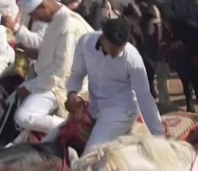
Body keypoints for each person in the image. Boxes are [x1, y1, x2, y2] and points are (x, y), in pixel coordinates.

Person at [65, 17, 164, 151]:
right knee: (56, 138)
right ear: (103, 38)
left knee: (91, 152)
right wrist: (72, 93)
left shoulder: (133, 58)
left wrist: (159, 136)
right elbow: (77, 74)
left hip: (120, 111)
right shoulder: (85, 42)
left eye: (120, 49)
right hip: (93, 109)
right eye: (113, 48)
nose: (117, 53)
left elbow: (144, 97)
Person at [12, 0, 93, 137]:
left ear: (44, 7)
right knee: (11, 98)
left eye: (35, 15)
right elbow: (53, 53)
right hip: (48, 79)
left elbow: (61, 72)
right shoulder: (58, 19)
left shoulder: (69, 24)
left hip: (63, 86)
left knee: (23, 116)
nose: (36, 19)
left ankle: (72, 126)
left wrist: (29, 87)